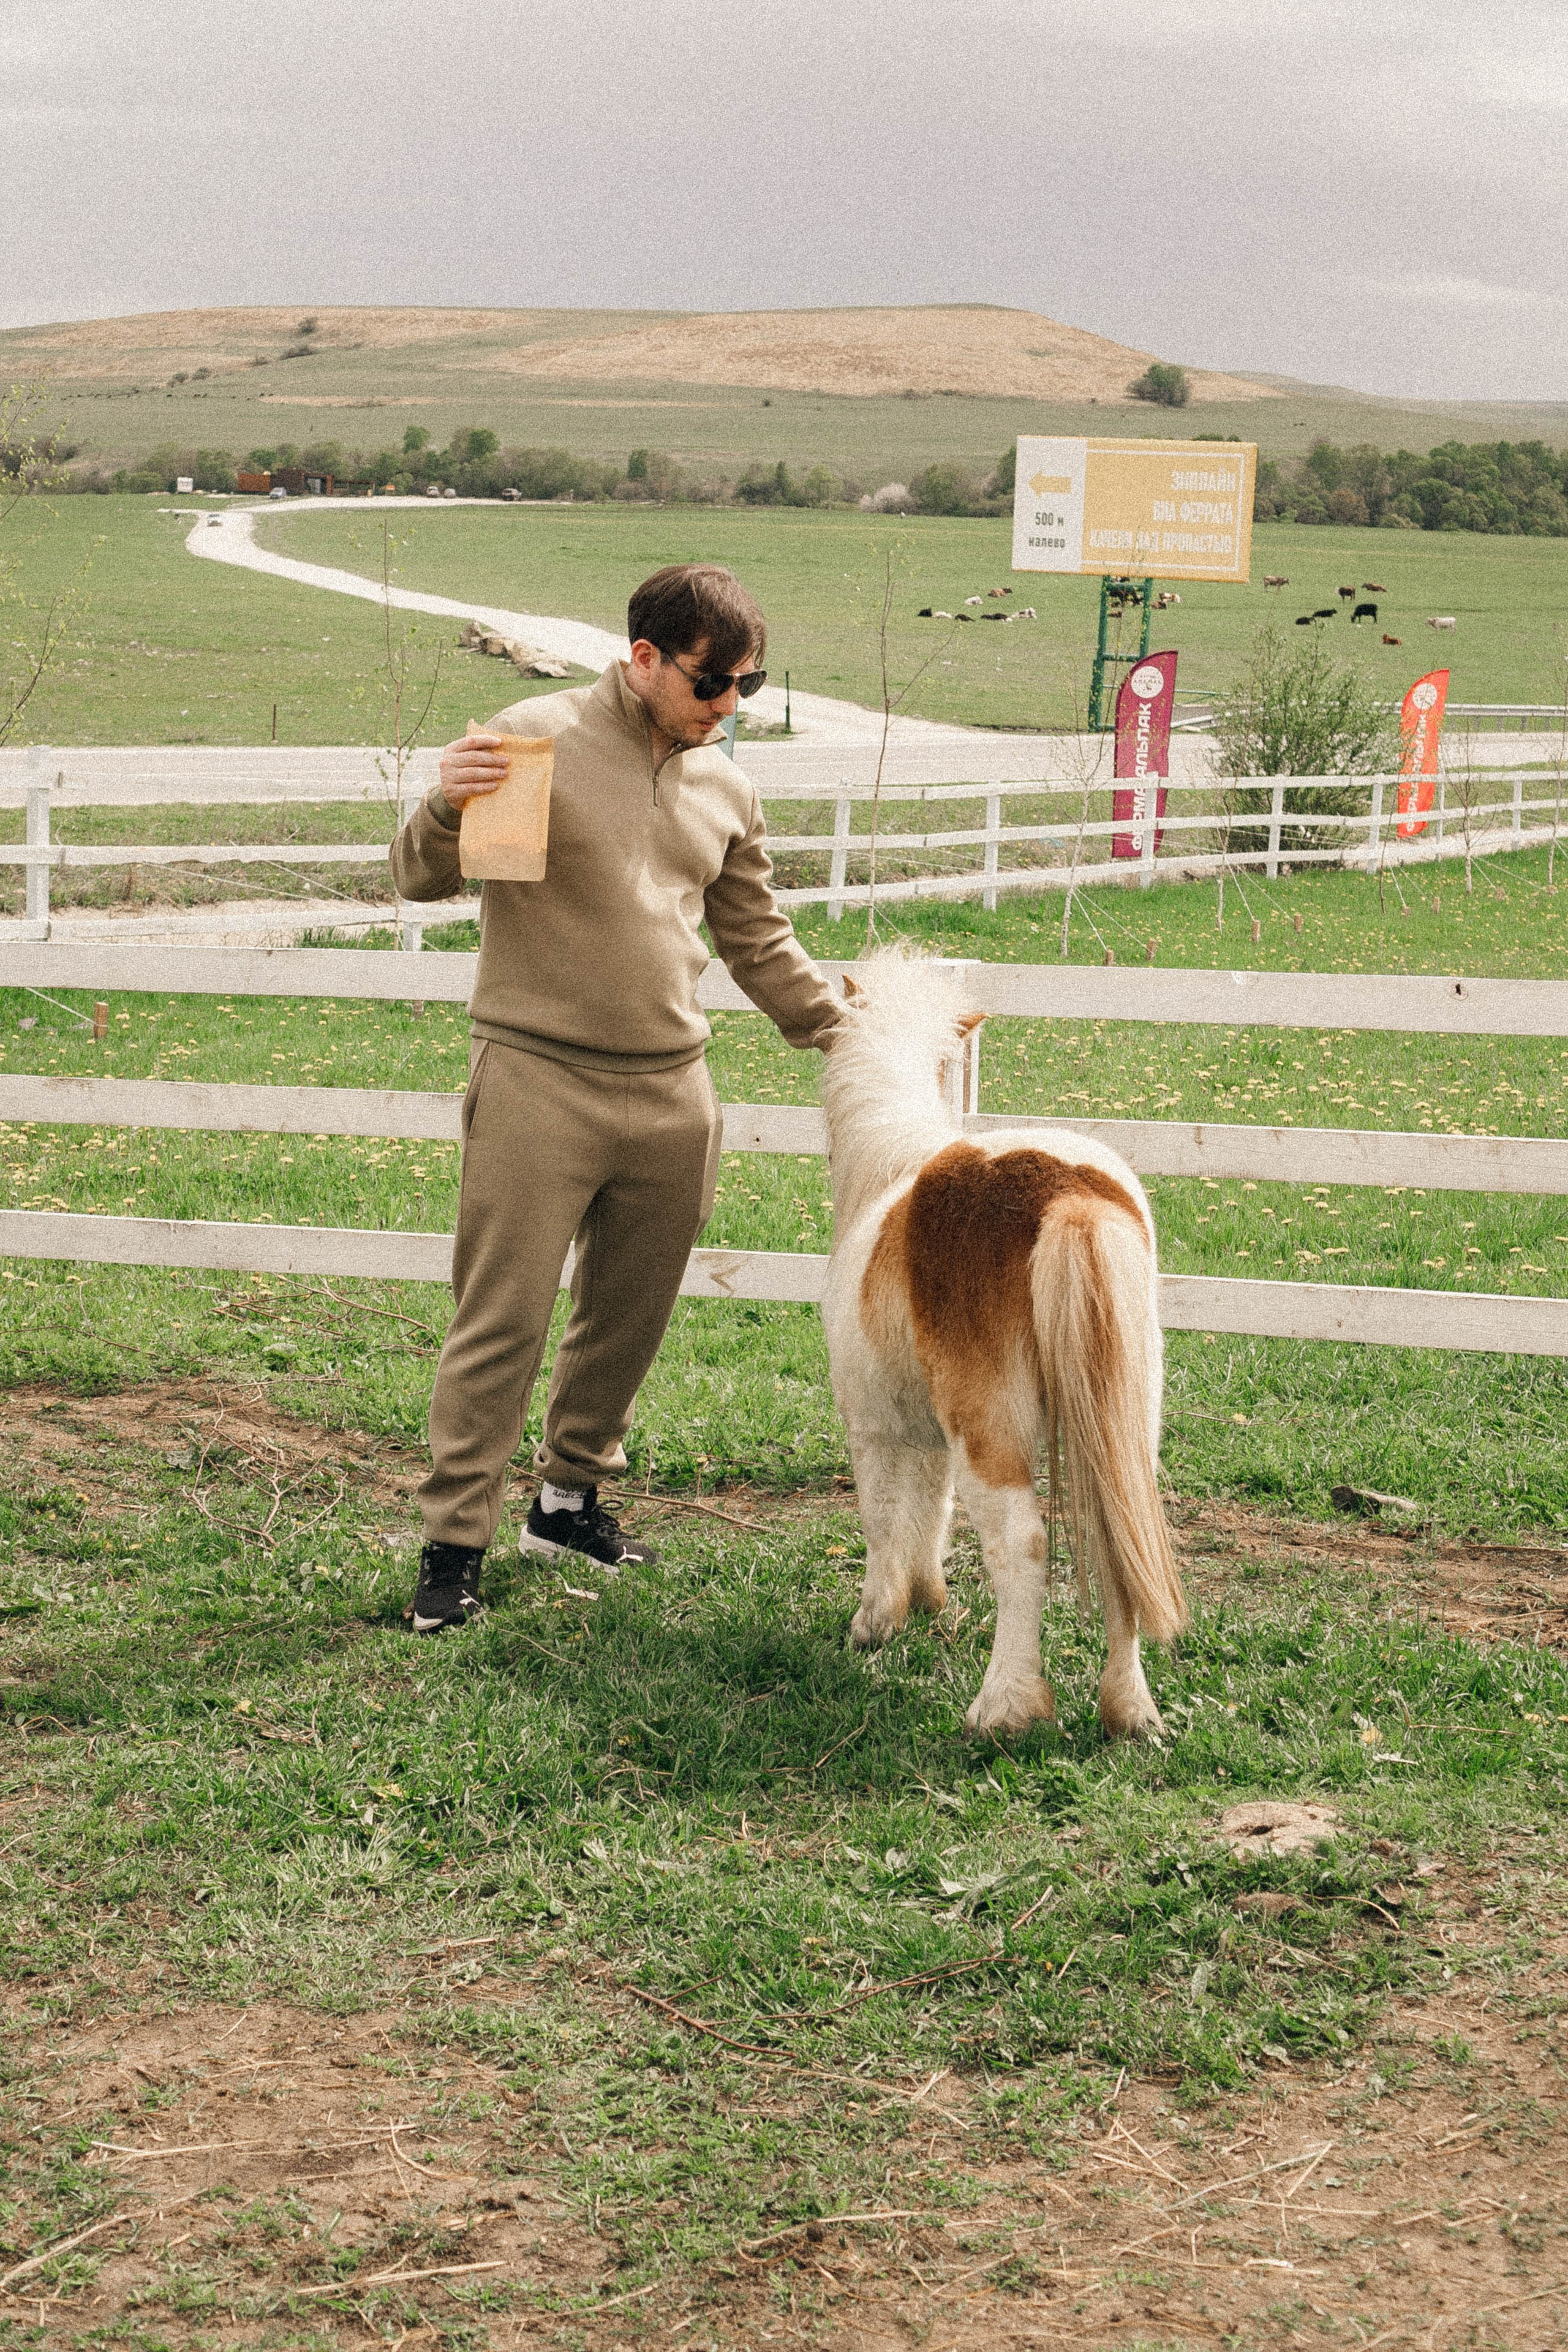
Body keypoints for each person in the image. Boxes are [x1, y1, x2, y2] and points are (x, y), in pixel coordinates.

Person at [390, 562, 843, 1632]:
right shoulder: (530, 743)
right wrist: (445, 804)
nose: (732, 705)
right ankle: (454, 1547)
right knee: (501, 1321)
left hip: (673, 1089)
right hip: (538, 1077)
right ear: (644, 660)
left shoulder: (727, 784)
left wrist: (848, 1029)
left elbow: (757, 940)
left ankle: (568, 1500)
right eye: (713, 682)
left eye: (751, 684)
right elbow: (423, 879)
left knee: (628, 1316)